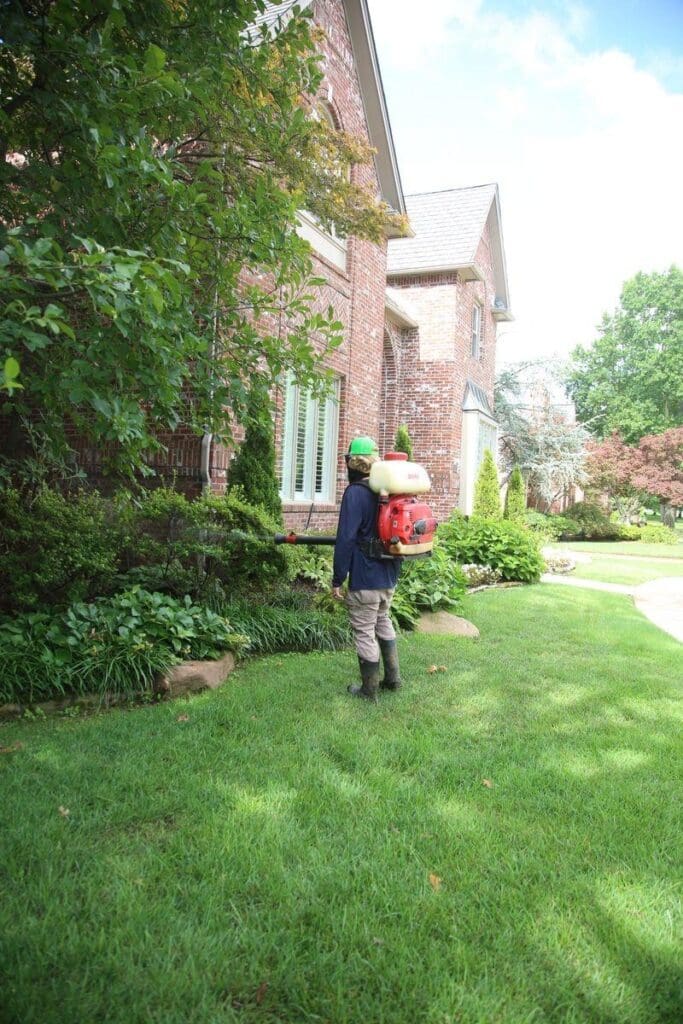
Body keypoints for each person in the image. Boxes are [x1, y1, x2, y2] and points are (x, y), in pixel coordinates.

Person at [332, 436, 402, 702]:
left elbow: (346, 539)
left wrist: (338, 578)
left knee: (364, 630)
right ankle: (393, 679)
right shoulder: (390, 490)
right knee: (383, 620)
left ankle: (368, 690)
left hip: (364, 577)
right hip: (388, 576)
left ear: (352, 462)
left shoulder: (355, 493)